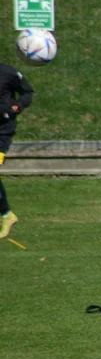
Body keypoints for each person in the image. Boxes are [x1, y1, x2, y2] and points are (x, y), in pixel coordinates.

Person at [0, 62, 33, 239]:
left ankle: (7, 216)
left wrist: (16, 107)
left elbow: (28, 93)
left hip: (2, 134)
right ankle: (6, 214)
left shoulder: (8, 73)